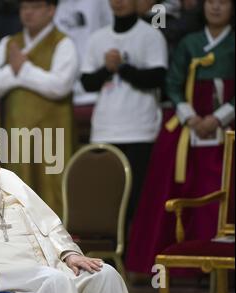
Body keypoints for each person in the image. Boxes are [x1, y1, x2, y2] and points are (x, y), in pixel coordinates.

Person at [0, 125, 130, 293]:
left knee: (104, 275)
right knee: (55, 282)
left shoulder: (7, 176)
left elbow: (47, 222)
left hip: (45, 265)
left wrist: (69, 253)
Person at [126, 0, 234, 275]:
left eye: (223, 2)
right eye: (211, 1)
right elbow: (173, 83)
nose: (216, 7)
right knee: (176, 189)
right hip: (189, 129)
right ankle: (181, 267)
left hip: (227, 129)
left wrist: (218, 118)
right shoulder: (189, 42)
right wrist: (190, 117)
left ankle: (223, 268)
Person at [0, 0, 78, 217]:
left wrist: (23, 70)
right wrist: (15, 73)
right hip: (14, 133)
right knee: (14, 190)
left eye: (35, 7)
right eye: (24, 7)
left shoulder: (63, 43)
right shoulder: (10, 43)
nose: (28, 13)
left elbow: (60, 85)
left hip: (51, 135)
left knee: (51, 189)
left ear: (51, 10)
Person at [81, 0, 168, 235]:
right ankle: (109, 257)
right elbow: (87, 83)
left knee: (137, 201)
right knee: (106, 199)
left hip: (140, 129)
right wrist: (107, 69)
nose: (118, 2)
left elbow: (157, 77)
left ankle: (134, 259)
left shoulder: (150, 35)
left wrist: (121, 67)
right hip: (105, 129)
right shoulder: (98, 38)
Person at [54, 0, 113, 105]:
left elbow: (112, 33)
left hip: (94, 90)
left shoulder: (100, 3)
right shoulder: (51, 4)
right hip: (60, 92)